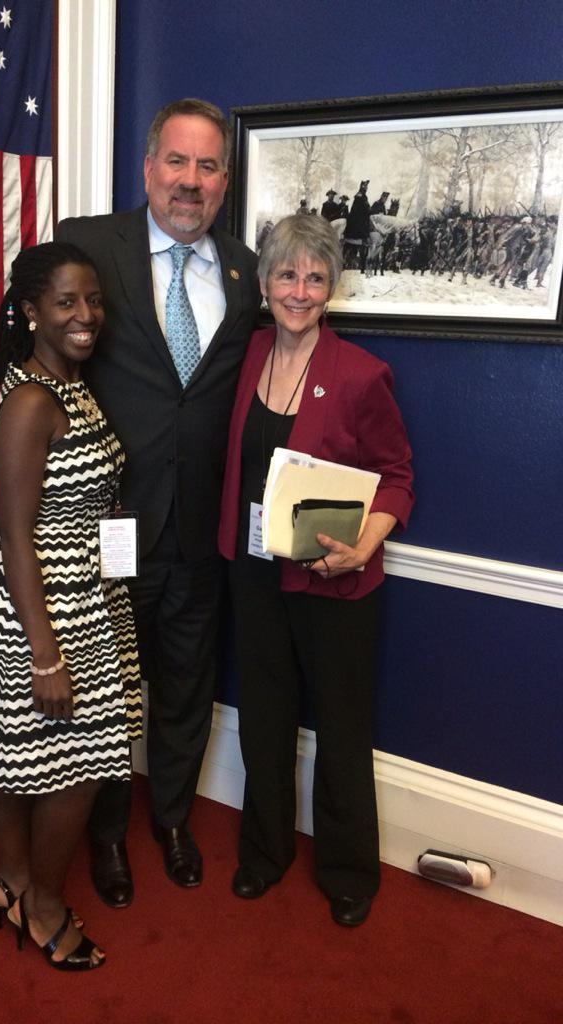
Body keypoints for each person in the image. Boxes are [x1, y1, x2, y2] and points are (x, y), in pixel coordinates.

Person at [56, 98, 261, 907]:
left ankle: (172, 819)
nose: (191, 181)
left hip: (201, 528)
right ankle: (107, 833)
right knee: (108, 693)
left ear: (223, 183)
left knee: (185, 683)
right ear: (148, 169)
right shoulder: (87, 246)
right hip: (111, 522)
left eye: (208, 166)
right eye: (177, 161)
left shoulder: (245, 272)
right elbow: (28, 336)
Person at [0, 242, 142, 969]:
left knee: (16, 749)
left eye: (92, 300)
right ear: (31, 311)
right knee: (78, 766)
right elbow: (15, 535)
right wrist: (46, 655)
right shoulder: (32, 402)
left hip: (87, 594)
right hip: (45, 608)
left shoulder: (69, 384)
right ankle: (46, 908)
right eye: (65, 302)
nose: (85, 315)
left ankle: (12, 880)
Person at [218, 214, 414, 927]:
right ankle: (263, 853)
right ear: (265, 282)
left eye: (315, 277)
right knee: (264, 717)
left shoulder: (360, 374)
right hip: (254, 573)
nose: (299, 291)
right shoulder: (245, 354)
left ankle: (348, 870)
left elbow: (398, 477)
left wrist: (365, 544)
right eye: (286, 274)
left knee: (341, 725)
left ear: (331, 287)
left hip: (335, 580)